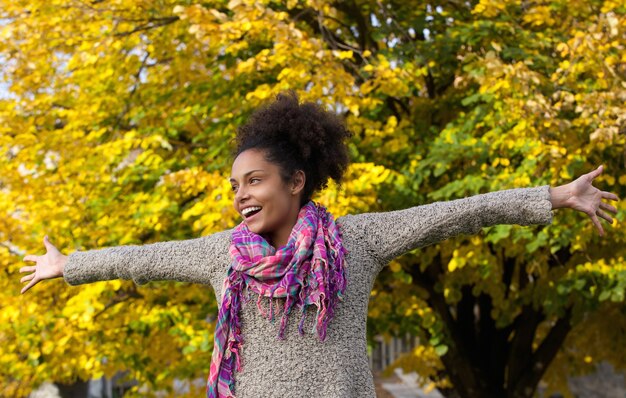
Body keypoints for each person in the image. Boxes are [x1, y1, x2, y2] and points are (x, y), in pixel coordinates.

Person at [19, 91, 619, 398]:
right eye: (235, 185)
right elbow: (144, 259)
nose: (241, 195)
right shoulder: (223, 254)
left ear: (296, 181)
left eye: (254, 181)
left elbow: (455, 213)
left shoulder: (356, 241)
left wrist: (552, 197)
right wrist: (68, 265)